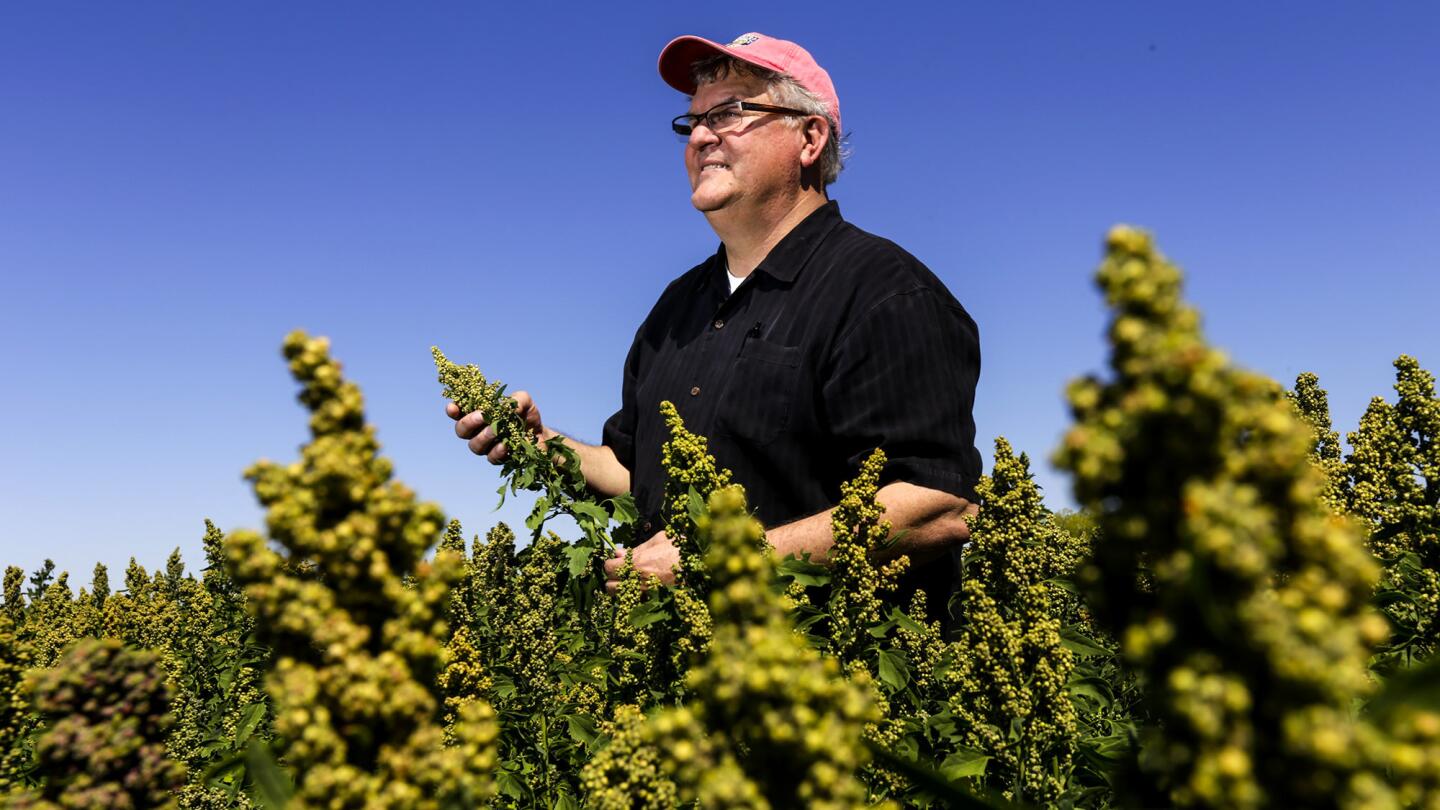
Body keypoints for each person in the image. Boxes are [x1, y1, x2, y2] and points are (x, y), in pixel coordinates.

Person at [450, 32, 981, 619]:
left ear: (809, 138)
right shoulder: (675, 308)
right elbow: (634, 472)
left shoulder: (885, 292)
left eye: (731, 112)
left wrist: (718, 564)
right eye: (693, 121)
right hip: (681, 693)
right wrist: (542, 446)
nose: (701, 136)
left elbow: (936, 504)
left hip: (830, 691)